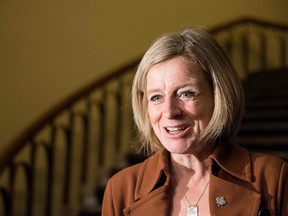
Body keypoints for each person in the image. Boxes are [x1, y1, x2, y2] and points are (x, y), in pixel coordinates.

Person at [102, 26, 288, 216]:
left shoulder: (273, 177)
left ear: (219, 96)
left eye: (186, 93)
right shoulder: (120, 189)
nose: (169, 112)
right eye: (156, 97)